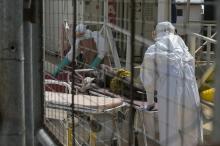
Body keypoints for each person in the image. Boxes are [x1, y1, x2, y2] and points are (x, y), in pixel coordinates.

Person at [140, 22, 203, 146]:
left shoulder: (153, 50)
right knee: (191, 132)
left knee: (170, 133)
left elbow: (149, 81)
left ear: (156, 33)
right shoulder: (185, 51)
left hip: (170, 95)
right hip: (192, 94)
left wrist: (151, 103)